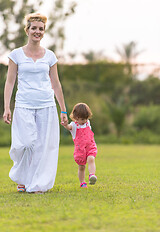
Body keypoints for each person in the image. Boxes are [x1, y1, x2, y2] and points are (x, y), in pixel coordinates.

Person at [3, 12, 68, 193]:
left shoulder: (50, 56)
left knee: (42, 147)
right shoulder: (15, 55)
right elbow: (10, 82)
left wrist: (63, 110)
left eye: (41, 29)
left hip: (46, 105)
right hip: (23, 104)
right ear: (28, 30)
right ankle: (22, 177)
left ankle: (36, 184)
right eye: (34, 28)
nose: (37, 32)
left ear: (43, 32)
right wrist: (7, 107)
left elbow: (56, 84)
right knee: (24, 144)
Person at [62, 103, 97, 188]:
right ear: (76, 118)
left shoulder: (87, 123)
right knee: (81, 167)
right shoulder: (74, 125)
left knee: (91, 159)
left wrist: (85, 120)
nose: (84, 121)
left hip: (90, 146)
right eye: (82, 119)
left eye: (85, 118)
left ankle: (92, 175)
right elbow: (69, 127)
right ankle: (82, 182)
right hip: (80, 150)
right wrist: (65, 125)